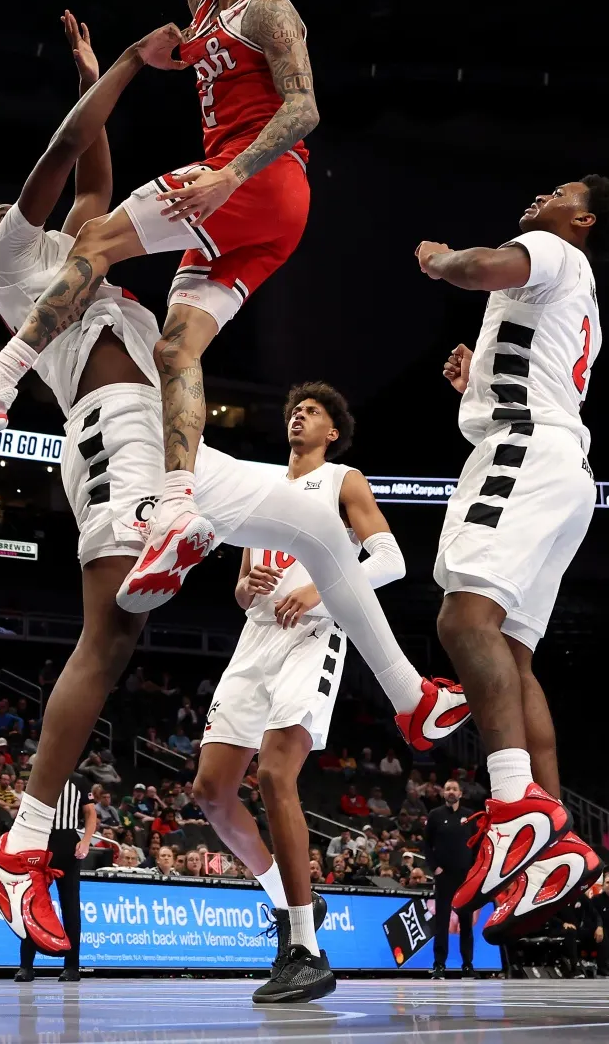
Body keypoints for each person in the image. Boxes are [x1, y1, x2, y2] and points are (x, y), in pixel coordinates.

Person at [0, 16, 465, 997]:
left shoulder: (74, 259)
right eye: (39, 224)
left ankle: (408, 692)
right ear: (0, 247)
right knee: (108, 642)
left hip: (167, 437)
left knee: (312, 518)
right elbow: (62, 158)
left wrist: (102, 77)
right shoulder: (12, 261)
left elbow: (93, 184)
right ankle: (16, 850)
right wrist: (120, 79)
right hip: (113, 439)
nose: (63, 224)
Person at [0, 0, 319, 611]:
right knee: (176, 348)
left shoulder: (268, 11)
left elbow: (304, 110)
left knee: (93, 237)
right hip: (263, 219)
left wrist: (231, 175)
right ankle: (178, 506)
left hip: (253, 178)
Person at [417, 177, 609, 941]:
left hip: (524, 452)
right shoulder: (580, 292)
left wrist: (444, 260)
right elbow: (533, 370)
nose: (542, 193)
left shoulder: (551, 249)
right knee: (511, 657)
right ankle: (556, 839)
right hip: (562, 465)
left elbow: (480, 268)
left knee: (461, 619)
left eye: (560, 191)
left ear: (581, 219)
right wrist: (478, 379)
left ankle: (516, 807)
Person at [192, 382, 413, 1002]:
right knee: (211, 792)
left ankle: (303, 951)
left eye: (311, 412)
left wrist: (319, 589)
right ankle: (295, 905)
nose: (298, 416)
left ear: (331, 433)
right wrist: (247, 585)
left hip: (315, 633)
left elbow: (390, 559)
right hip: (256, 635)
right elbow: (241, 584)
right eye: (294, 410)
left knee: (276, 775)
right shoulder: (260, 487)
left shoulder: (344, 480)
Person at [14, 776, 90, 985]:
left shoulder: (79, 781)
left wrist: (85, 841)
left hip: (68, 849)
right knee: (31, 906)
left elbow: (90, 813)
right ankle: (26, 966)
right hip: (40, 846)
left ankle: (72, 966)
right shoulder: (39, 777)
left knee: (71, 908)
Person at [425, 779, 481, 977]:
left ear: (460, 793)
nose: (451, 792)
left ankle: (467, 964)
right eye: (447, 788)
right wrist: (435, 868)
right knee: (442, 920)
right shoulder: (435, 815)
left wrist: (474, 871)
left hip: (465, 877)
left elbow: (477, 845)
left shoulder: (469, 816)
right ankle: (439, 964)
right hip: (444, 876)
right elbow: (426, 845)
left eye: (454, 789)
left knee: (466, 920)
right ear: (443, 793)